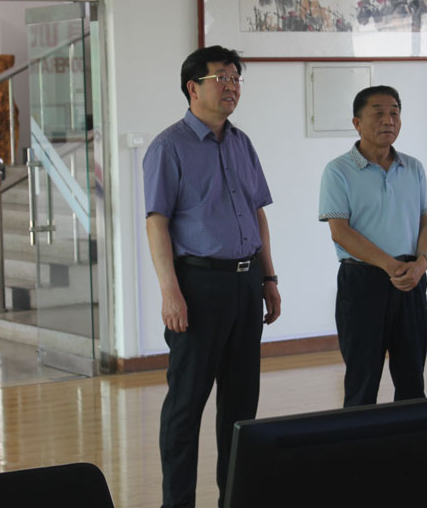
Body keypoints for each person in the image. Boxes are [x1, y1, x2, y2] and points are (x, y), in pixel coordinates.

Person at [143, 45, 281, 508]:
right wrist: (170, 292)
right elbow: (157, 222)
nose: (231, 87)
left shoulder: (242, 143)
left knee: (242, 408)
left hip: (245, 283)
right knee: (186, 405)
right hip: (198, 286)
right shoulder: (169, 147)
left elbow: (257, 213)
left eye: (236, 78)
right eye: (222, 77)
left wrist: (269, 278)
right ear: (193, 87)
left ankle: (235, 499)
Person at [318, 85, 427, 407]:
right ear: (357, 123)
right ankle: (359, 440)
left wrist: (422, 263)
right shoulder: (338, 170)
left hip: (411, 278)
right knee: (362, 378)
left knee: (412, 377)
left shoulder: (413, 167)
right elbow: (340, 232)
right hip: (363, 281)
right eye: (379, 113)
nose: (389, 120)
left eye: (395, 113)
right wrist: (389, 265)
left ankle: (410, 437)